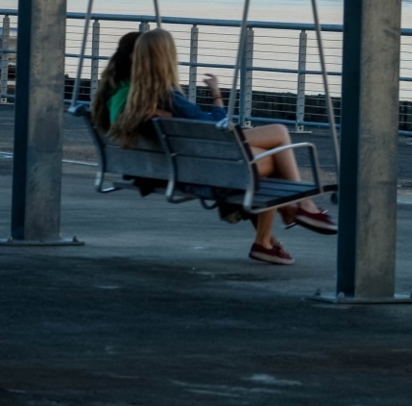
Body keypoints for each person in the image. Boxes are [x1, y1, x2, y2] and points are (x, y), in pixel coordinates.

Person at [110, 27, 336, 266]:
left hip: (183, 167)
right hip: (209, 171)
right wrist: (217, 96)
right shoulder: (168, 95)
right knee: (278, 136)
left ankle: (271, 235)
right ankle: (299, 207)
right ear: (167, 57)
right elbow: (215, 126)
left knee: (268, 156)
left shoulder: (134, 97)